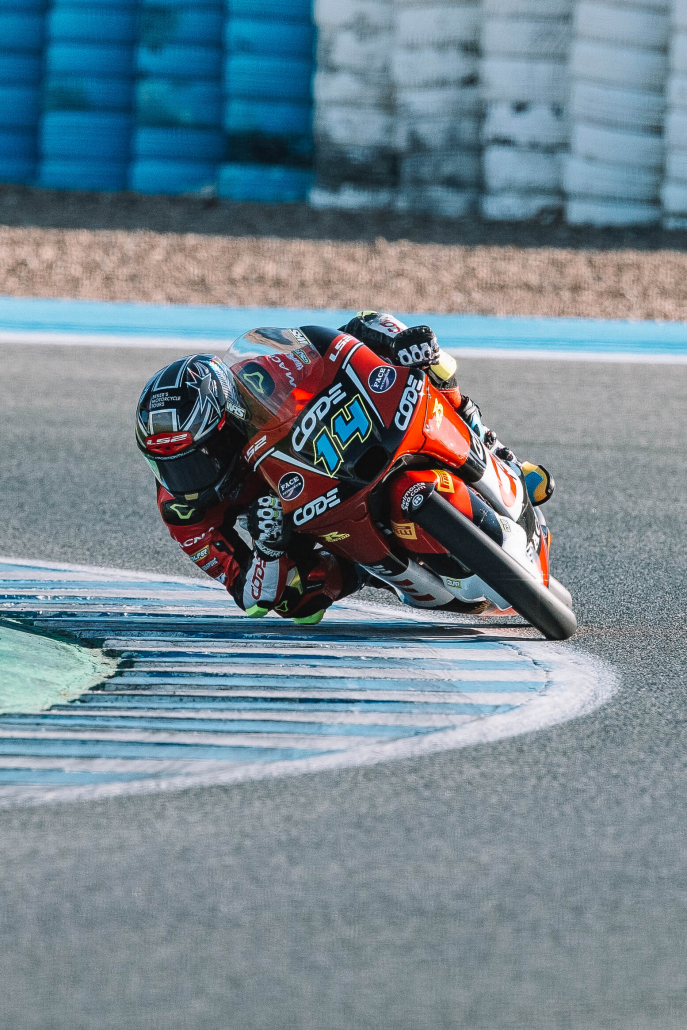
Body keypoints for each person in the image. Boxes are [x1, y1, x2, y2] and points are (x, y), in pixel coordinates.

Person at [135, 311, 554, 623]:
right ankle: (369, 569)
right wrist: (268, 549)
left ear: (228, 420)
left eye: (199, 459)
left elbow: (332, 344)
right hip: (298, 522)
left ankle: (495, 448)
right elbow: (250, 597)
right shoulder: (181, 509)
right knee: (295, 604)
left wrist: (395, 346)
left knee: (393, 334)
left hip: (330, 448)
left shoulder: (257, 375)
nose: (188, 479)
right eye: (172, 467)